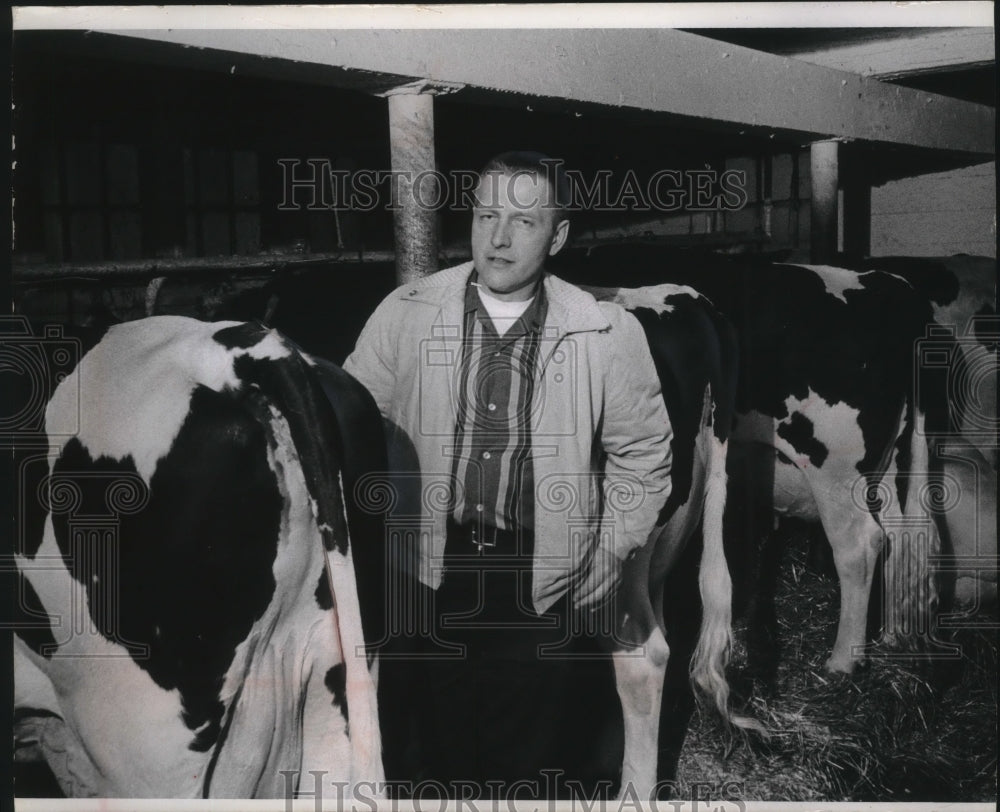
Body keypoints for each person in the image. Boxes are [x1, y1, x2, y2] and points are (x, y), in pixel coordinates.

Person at [343, 151, 673, 797]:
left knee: (527, 754)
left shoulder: (604, 330)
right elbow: (354, 423)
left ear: (559, 235)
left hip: (539, 569)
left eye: (524, 220)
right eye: (486, 214)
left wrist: (612, 547)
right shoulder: (406, 311)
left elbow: (645, 455)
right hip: (425, 564)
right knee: (429, 743)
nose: (498, 237)